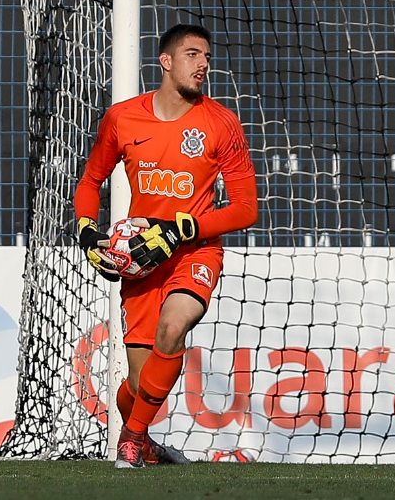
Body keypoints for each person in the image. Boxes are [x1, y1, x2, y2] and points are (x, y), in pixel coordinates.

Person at [74, 24, 258, 468]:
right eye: (193, 54)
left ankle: (131, 441)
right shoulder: (123, 118)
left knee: (173, 328)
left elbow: (246, 208)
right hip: (141, 260)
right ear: (166, 61)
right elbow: (90, 181)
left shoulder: (221, 123)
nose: (203, 64)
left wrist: (183, 230)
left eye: (207, 57)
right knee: (139, 389)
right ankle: (145, 440)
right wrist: (86, 230)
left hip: (195, 252)